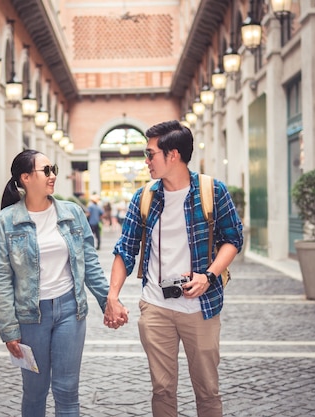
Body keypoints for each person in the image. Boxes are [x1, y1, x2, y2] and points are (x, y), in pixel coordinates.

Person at [103, 120, 243, 417]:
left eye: (151, 153)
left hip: (201, 307)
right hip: (155, 307)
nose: (147, 160)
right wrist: (112, 296)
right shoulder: (144, 198)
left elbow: (233, 239)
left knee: (207, 390)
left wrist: (208, 276)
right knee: (162, 390)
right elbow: (125, 249)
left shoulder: (213, 191)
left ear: (173, 155)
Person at [0, 150, 127, 417]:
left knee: (67, 390)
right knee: (35, 391)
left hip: (70, 311)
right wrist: (8, 328)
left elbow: (88, 263)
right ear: (26, 177)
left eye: (53, 169)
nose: (53, 175)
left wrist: (108, 301)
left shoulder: (72, 214)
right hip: (30, 317)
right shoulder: (6, 220)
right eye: (46, 171)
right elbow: (1, 277)